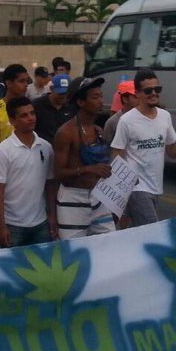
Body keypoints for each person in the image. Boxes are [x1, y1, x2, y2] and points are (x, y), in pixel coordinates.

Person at [110, 69, 176, 227]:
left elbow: (172, 153)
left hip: (156, 187)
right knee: (153, 230)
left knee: (141, 233)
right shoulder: (127, 121)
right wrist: (121, 192)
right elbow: (117, 154)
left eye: (157, 89)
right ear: (138, 93)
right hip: (137, 188)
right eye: (148, 90)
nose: (154, 93)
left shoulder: (164, 116)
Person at [0, 97, 57, 247]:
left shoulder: (46, 147)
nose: (30, 118)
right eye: (24, 115)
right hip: (12, 226)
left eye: (32, 113)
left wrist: (52, 215)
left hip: (41, 223)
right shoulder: (3, 151)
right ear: (12, 120)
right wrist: (1, 225)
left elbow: (50, 183)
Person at [52, 77, 115, 239]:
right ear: (80, 102)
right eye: (95, 97)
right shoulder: (66, 133)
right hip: (73, 200)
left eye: (101, 96)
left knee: (108, 245)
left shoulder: (99, 131)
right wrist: (88, 169)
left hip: (99, 197)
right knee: (75, 254)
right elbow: (58, 173)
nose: (101, 101)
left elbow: (105, 166)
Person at [32, 73, 74, 145]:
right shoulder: (36, 105)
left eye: (66, 93)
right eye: (61, 93)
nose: (63, 96)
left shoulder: (72, 107)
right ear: (52, 89)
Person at [102, 79, 137, 147]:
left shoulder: (146, 117)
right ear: (125, 99)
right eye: (135, 96)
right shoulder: (113, 122)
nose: (140, 99)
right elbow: (106, 148)